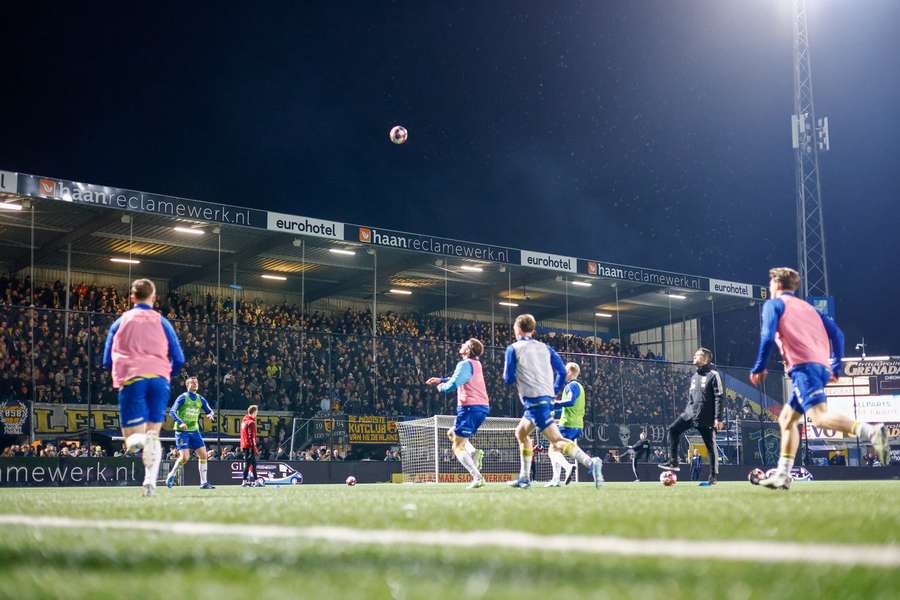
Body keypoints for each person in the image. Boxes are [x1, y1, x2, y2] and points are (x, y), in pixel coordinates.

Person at [750, 267, 889, 490]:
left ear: (775, 285)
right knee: (787, 419)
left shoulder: (773, 304)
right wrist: (835, 365)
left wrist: (759, 366)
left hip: (804, 367)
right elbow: (838, 334)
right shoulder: (809, 308)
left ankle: (870, 431)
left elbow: (767, 336)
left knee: (820, 417)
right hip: (819, 365)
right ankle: (783, 474)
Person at [102, 278, 185, 497]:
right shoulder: (162, 322)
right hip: (159, 380)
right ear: (154, 298)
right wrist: (167, 374)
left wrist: (116, 371)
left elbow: (106, 358)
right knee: (153, 434)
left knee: (131, 439)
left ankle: (138, 441)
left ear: (132, 297)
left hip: (132, 378)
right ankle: (150, 482)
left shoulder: (121, 321)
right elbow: (178, 358)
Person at [503, 314, 603, 489]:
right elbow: (562, 372)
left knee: (556, 441)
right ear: (533, 330)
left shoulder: (513, 348)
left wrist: (519, 376)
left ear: (516, 329)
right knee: (520, 433)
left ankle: (590, 462)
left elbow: (507, 378)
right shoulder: (546, 348)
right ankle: (524, 478)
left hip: (535, 400)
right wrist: (555, 391)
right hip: (542, 400)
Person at [426, 338, 490, 488]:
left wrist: (441, 386)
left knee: (457, 446)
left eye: (464, 344)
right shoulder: (476, 364)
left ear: (468, 350)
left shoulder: (464, 364)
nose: (461, 345)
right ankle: (474, 453)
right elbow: (461, 377)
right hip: (481, 407)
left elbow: (453, 384)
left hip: (469, 408)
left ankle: (477, 477)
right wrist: (441, 379)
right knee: (451, 433)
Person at [659, 347, 724, 487]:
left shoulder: (714, 375)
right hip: (690, 413)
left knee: (710, 447)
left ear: (706, 359)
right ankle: (673, 461)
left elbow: (719, 396)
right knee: (673, 429)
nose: (694, 357)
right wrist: (687, 412)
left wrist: (718, 418)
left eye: (698, 355)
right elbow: (691, 397)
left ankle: (713, 476)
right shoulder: (694, 376)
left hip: (706, 417)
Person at [165, 376, 216, 490]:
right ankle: (171, 474)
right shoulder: (182, 398)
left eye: (196, 383)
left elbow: (209, 410)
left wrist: (210, 414)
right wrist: (180, 422)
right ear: (187, 385)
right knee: (185, 458)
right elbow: (172, 412)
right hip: (182, 431)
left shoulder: (200, 399)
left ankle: (204, 483)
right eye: (193, 383)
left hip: (194, 430)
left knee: (203, 455)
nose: (195, 384)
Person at [545, 362, 584, 487]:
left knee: (552, 449)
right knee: (556, 450)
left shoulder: (571, 386)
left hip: (568, 424)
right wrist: (554, 409)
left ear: (571, 372)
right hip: (577, 425)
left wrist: (555, 403)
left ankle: (568, 467)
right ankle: (556, 480)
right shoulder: (580, 387)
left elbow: (570, 402)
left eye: (565, 371)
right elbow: (570, 406)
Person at [240, 405, 260, 486]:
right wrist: (254, 447)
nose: (257, 414)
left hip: (244, 445)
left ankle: (255, 481)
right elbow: (251, 436)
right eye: (256, 412)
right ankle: (245, 481)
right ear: (254, 412)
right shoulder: (251, 422)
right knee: (249, 464)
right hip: (250, 446)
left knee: (252, 464)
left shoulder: (244, 422)